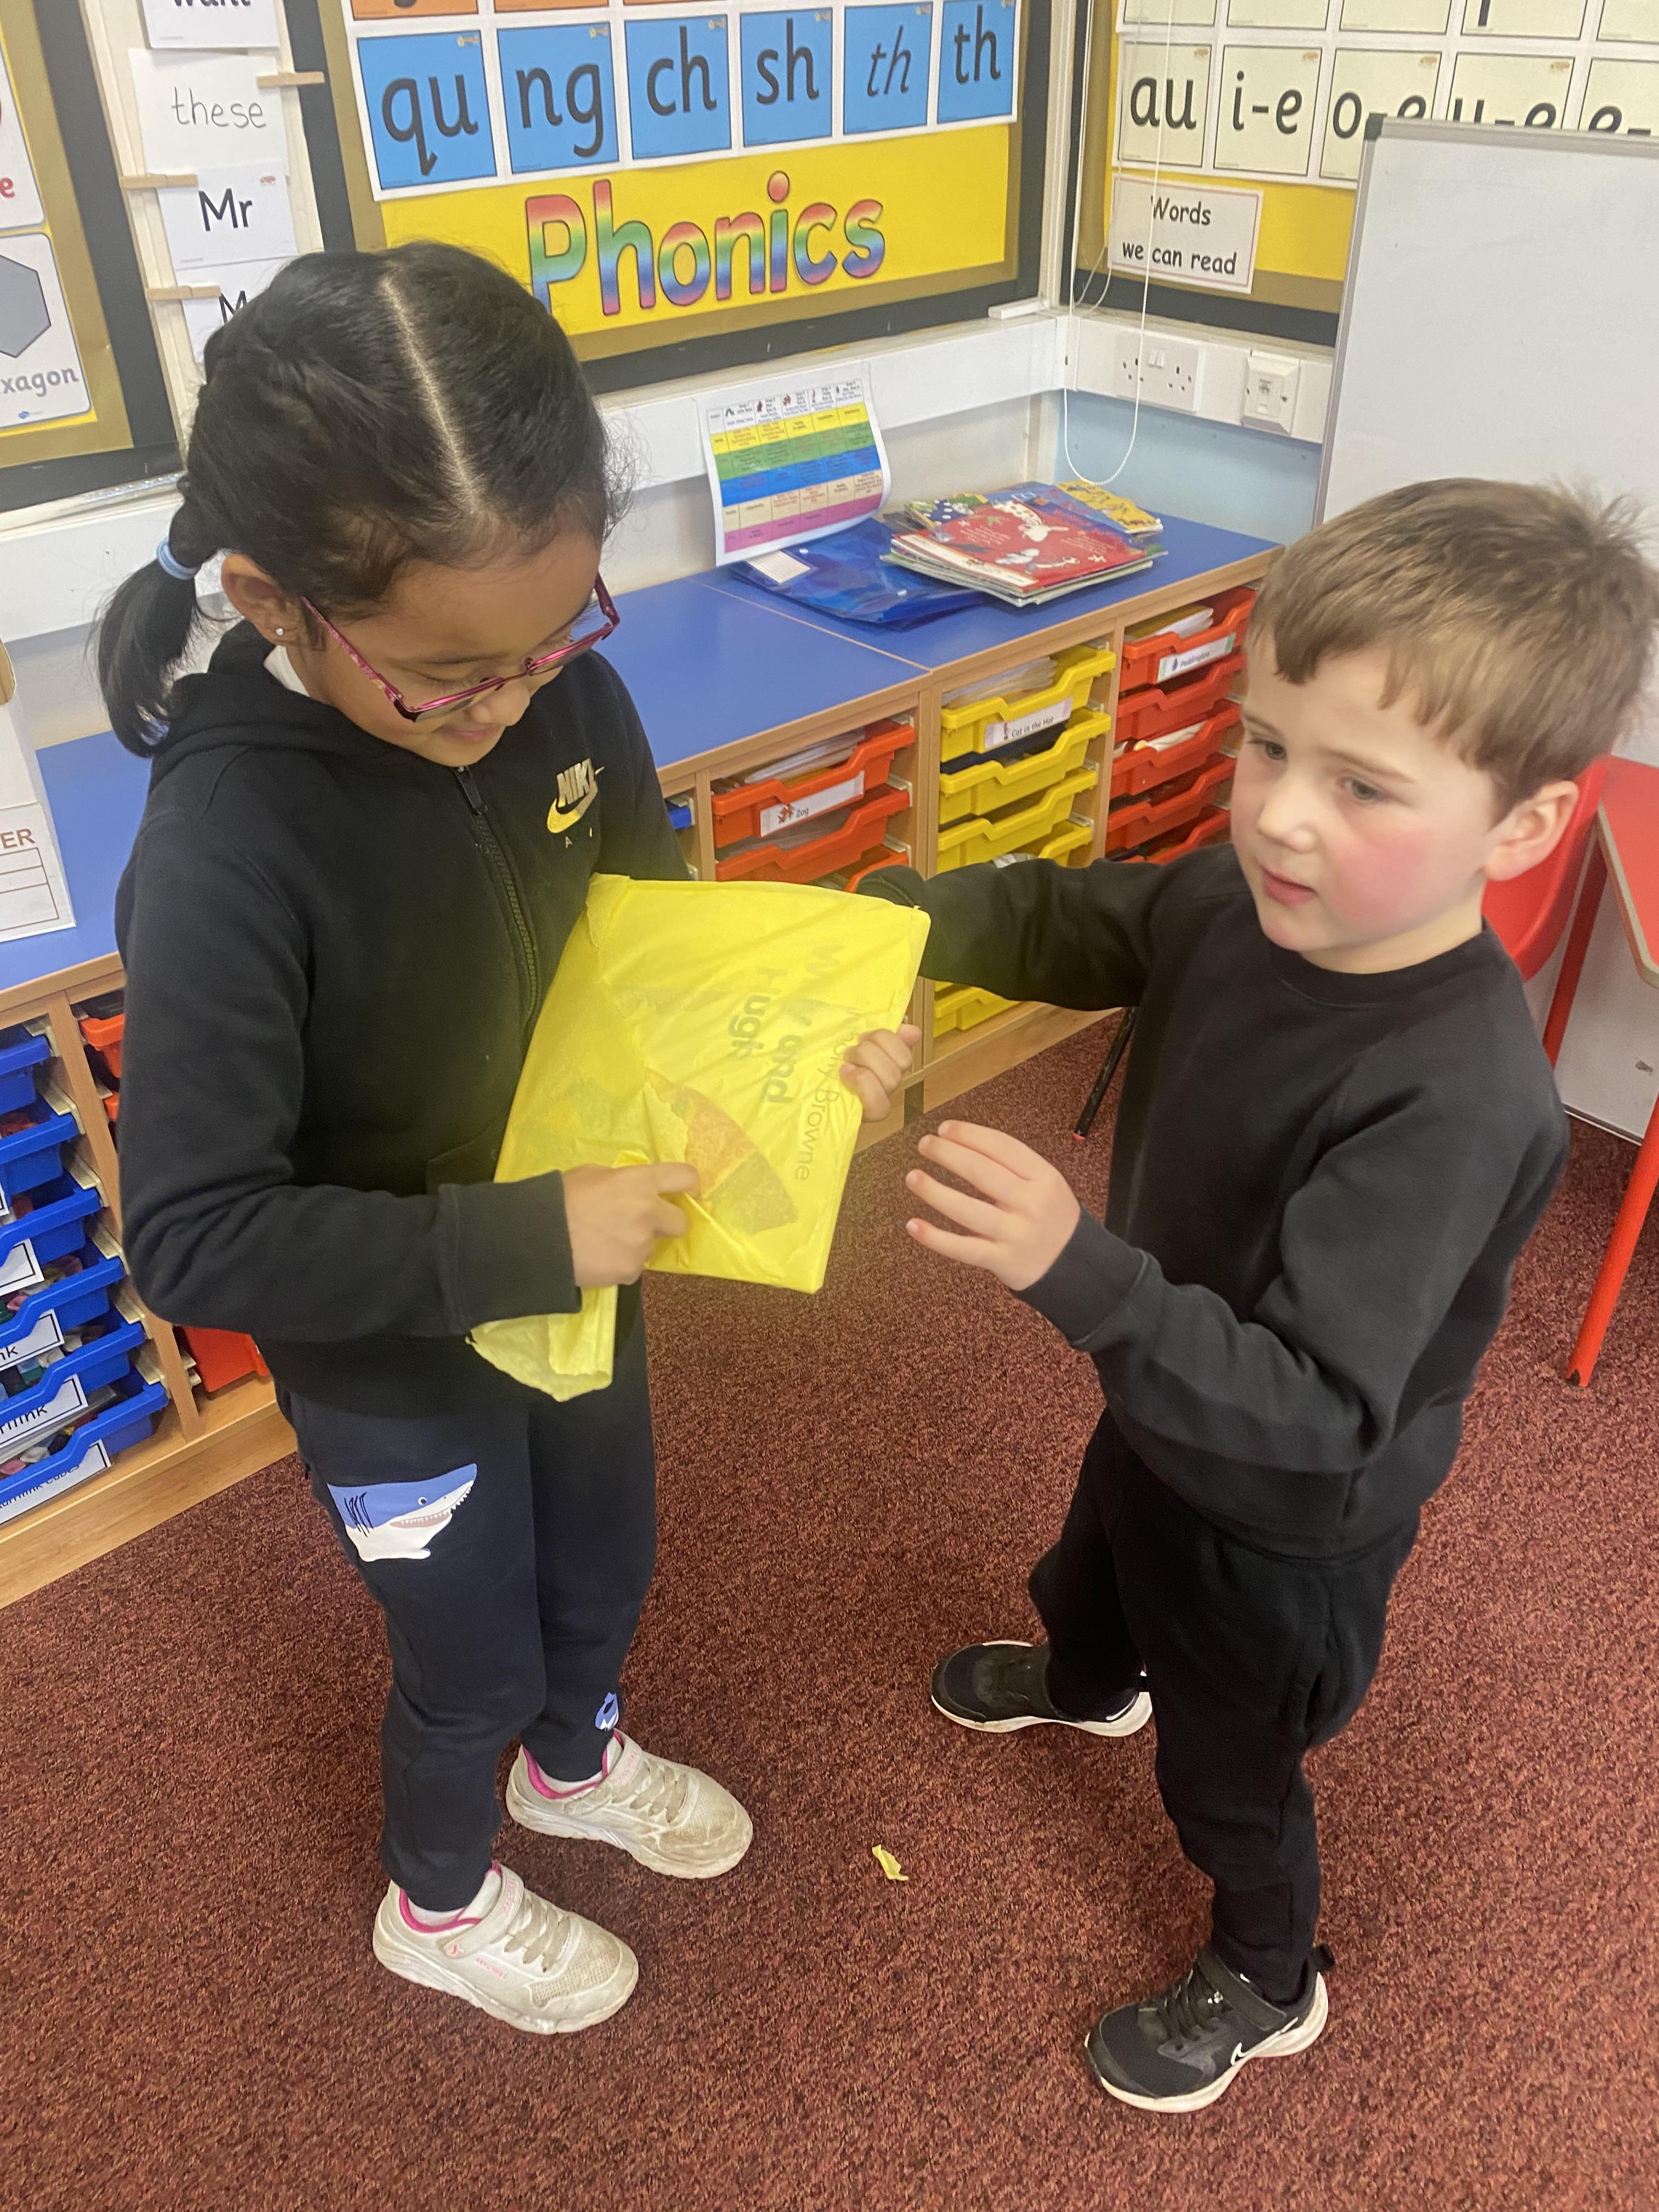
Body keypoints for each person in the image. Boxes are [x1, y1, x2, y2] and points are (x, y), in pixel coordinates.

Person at [98, 244, 917, 2037]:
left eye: (556, 637)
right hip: (395, 1359)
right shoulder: (229, 843)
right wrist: (522, 1238)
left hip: (578, 1286)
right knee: (462, 1661)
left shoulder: (566, 697)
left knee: (601, 1568)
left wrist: (806, 1063)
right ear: (275, 600)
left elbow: (654, 962)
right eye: (446, 675)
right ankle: (442, 1898)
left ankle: (576, 1761)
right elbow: (195, 1236)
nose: (514, 699)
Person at [864, 480, 1659, 2112]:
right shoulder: (1241, 898)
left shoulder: (1455, 1096)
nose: (1283, 815)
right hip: (1166, 1397)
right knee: (1096, 1562)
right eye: (1266, 743)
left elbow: (1316, 1405)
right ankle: (1088, 1679)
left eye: (1363, 784)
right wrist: (892, 926)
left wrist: (1078, 1271)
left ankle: (1268, 1969)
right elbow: (1076, 917)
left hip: (1288, 1517)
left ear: (1520, 828)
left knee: (1230, 1768)